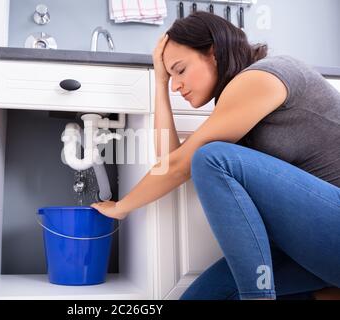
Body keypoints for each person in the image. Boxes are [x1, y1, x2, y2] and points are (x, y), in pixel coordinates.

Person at [91, 11, 340, 300]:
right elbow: (169, 162)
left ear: (213, 53)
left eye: (180, 70)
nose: (176, 85)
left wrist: (122, 207)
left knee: (212, 159)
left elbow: (179, 166)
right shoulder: (238, 103)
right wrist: (159, 84)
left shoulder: (262, 77)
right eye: (171, 77)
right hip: (312, 246)